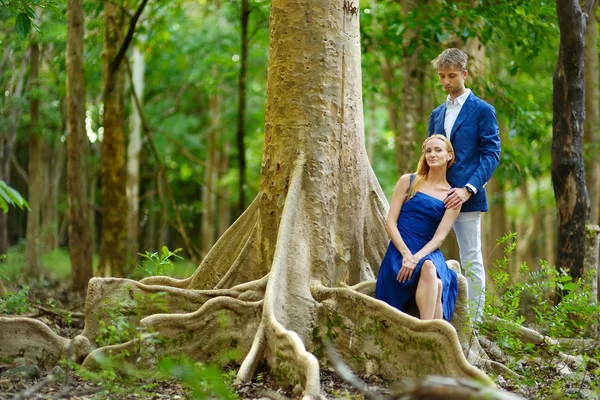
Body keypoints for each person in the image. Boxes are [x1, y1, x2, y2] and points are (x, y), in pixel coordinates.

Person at [428, 48, 501, 322]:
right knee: (426, 251)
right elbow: (430, 153)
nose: (446, 82)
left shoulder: (483, 110)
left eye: (452, 76)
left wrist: (469, 188)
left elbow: (491, 154)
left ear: (465, 74)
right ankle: (435, 314)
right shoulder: (437, 113)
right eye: (441, 76)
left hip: (467, 196)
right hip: (435, 195)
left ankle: (475, 322)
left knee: (471, 256)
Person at [376, 135, 461, 321]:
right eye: (428, 150)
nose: (432, 154)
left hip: (428, 251)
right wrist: (407, 255)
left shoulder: (453, 196)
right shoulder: (408, 181)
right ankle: (432, 333)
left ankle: (425, 329)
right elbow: (390, 223)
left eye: (438, 150)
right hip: (401, 250)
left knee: (430, 267)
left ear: (449, 156)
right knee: (436, 284)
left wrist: (417, 257)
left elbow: (439, 238)